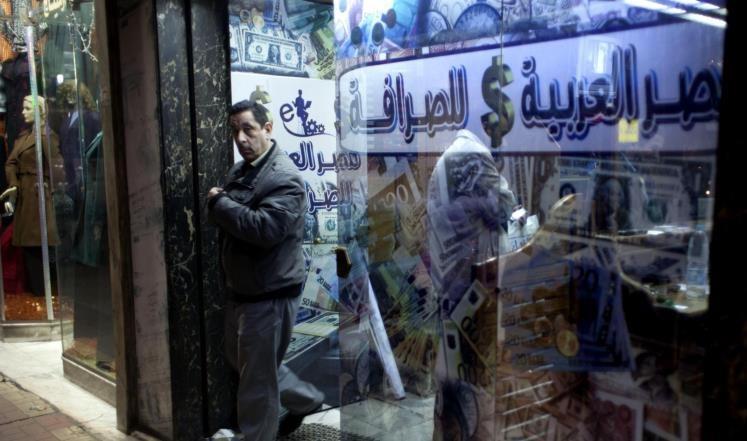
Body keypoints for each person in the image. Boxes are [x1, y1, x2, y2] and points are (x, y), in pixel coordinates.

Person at [207, 99, 323, 441]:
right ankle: (306, 400)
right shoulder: (242, 170)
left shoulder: (284, 178)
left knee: (256, 382)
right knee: (248, 363)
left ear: (267, 129)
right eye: (235, 131)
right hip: (243, 290)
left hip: (269, 294)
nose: (241, 138)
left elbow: (264, 229)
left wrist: (219, 203)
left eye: (248, 129)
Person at [0, 95, 64, 296]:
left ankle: (43, 294)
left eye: (27, 108)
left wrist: (48, 187)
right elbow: (11, 163)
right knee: (28, 247)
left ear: (39, 111)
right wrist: (14, 185)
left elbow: (57, 168)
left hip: (38, 196)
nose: (22, 112)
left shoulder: (46, 136)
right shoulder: (24, 135)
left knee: (37, 245)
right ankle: (37, 293)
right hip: (25, 195)